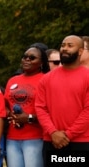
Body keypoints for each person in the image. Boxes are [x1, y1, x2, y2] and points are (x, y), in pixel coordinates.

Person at [35, 35, 89, 167]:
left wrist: (68, 134)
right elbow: (40, 107)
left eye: (70, 46)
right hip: (51, 140)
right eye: (63, 45)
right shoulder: (46, 79)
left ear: (80, 51)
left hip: (81, 142)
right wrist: (53, 132)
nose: (64, 48)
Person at [4, 44, 50, 167]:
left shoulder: (46, 79)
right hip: (12, 138)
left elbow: (52, 111)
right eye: (25, 57)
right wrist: (9, 113)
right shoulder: (12, 80)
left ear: (41, 62)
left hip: (35, 137)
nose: (27, 60)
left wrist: (29, 118)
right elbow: (4, 104)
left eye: (32, 57)